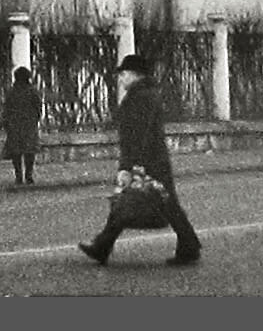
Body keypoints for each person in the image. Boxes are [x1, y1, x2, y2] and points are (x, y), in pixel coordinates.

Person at [78, 54, 202, 268]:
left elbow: (138, 134)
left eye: (124, 74)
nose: (121, 79)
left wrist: (129, 166)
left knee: (133, 202)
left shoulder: (141, 97)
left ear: (135, 75)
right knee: (165, 203)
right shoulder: (144, 94)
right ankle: (189, 245)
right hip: (153, 159)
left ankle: (103, 246)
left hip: (147, 162)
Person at [0, 66, 41, 184]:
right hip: (29, 125)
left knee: (16, 152)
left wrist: (5, 124)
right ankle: (29, 175)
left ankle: (18, 176)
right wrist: (34, 121)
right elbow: (38, 109)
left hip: (14, 126)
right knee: (29, 151)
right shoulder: (32, 91)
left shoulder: (12, 92)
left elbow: (6, 109)